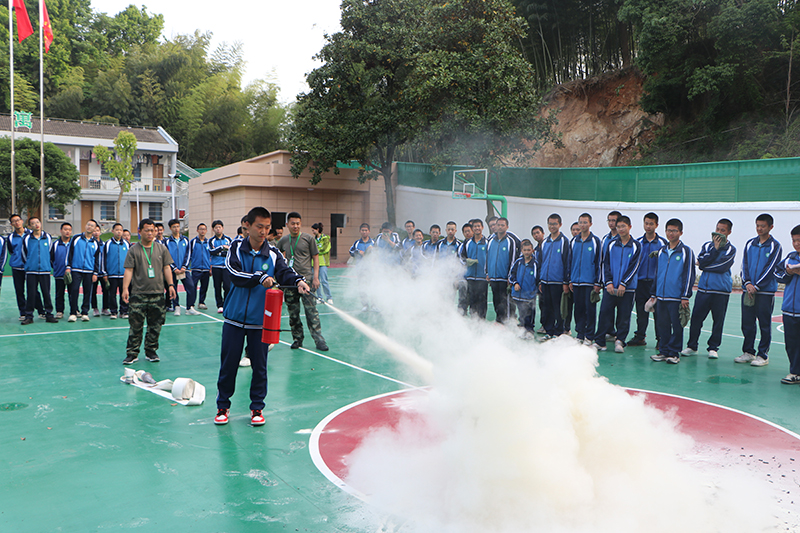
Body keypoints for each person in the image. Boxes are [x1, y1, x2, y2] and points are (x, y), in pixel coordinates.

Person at [214, 207, 310, 426]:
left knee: (260, 367)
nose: (264, 231)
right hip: (234, 320)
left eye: (267, 227)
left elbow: (285, 272)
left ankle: (257, 408)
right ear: (247, 226)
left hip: (260, 322)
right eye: (259, 227)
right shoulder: (236, 248)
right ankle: (222, 406)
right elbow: (234, 274)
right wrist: (259, 277)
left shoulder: (274, 253)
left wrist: (298, 281)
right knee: (228, 365)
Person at [121, 218, 176, 365]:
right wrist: (125, 289)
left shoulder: (161, 249)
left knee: (156, 325)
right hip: (138, 294)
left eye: (153, 230)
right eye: (147, 230)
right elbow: (129, 270)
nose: (150, 233)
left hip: (157, 293)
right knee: (135, 326)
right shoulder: (133, 250)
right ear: (140, 231)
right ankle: (132, 353)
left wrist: (171, 285)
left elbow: (166, 268)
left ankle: (151, 351)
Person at [681, 219, 736, 359]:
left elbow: (721, 267)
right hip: (704, 289)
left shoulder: (731, 249)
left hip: (721, 291)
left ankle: (713, 348)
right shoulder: (707, 246)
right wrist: (714, 251)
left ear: (729, 232)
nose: (719, 232)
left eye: (723, 230)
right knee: (696, 319)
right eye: (717, 229)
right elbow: (701, 261)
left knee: (718, 321)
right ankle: (692, 346)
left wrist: (704, 265)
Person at [735, 213, 782, 367]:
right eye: (757, 226)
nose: (759, 229)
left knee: (764, 324)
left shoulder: (775, 246)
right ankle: (748, 352)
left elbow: (771, 268)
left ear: (771, 227)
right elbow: (744, 265)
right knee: (747, 322)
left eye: (763, 226)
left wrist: (757, 286)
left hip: (765, 292)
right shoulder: (750, 244)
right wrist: (747, 283)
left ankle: (763, 355)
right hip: (748, 291)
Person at [277, 212, 328, 351]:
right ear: (287, 224)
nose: (296, 226)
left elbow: (315, 258)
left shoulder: (308, 239)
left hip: (307, 281)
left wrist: (315, 277)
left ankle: (319, 340)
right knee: (293, 313)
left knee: (312, 312)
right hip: (290, 283)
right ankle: (297, 339)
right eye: (293, 223)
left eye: (298, 223)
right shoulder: (283, 241)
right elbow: (278, 258)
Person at [648, 219, 695, 364]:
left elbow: (689, 274)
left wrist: (685, 295)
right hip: (661, 296)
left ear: (681, 232)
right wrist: (654, 293)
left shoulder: (686, 251)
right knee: (662, 325)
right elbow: (657, 273)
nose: (671, 233)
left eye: (674, 231)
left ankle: (674, 353)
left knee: (677, 325)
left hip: (676, 297)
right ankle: (663, 351)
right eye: (669, 230)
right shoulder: (661, 251)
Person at [592, 215, 641, 353]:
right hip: (610, 287)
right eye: (618, 227)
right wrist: (608, 282)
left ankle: (620, 341)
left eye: (623, 226)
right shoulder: (611, 244)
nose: (620, 229)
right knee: (604, 313)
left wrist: (624, 283)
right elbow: (605, 264)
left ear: (630, 227)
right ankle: (600, 341)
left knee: (624, 315)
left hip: (628, 289)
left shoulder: (636, 246)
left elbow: (634, 266)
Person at [628, 212, 668, 347]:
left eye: (651, 224)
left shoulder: (663, 243)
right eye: (646, 223)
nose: (648, 226)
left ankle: (660, 339)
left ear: (657, 225)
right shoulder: (637, 243)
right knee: (641, 311)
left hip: (655, 284)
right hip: (639, 283)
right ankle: (640, 337)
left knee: (658, 313)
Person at [569, 213, 602, 345]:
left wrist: (597, 282)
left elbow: (599, 262)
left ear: (590, 224)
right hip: (576, 282)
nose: (582, 225)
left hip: (590, 283)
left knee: (590, 310)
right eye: (580, 222)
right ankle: (580, 334)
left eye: (585, 222)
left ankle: (589, 336)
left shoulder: (595, 241)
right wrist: (570, 280)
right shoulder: (573, 241)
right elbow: (570, 262)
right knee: (578, 309)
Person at [775, 225, 800, 384]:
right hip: (789, 309)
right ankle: (795, 371)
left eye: (799, 240)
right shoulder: (790, 257)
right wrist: (788, 273)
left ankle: (796, 372)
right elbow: (778, 274)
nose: (796, 244)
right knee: (791, 343)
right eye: (794, 240)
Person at [539, 214, 570, 338]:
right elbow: (541, 262)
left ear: (560, 225)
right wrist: (540, 280)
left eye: (555, 224)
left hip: (558, 282)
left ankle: (558, 332)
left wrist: (565, 282)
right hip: (545, 281)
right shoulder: (545, 242)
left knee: (558, 309)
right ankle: (549, 332)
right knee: (547, 308)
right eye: (550, 224)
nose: (552, 226)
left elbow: (567, 262)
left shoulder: (564, 241)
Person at [20, 216, 56, 324]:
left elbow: (51, 252)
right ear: (29, 226)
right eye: (33, 223)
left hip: (45, 271)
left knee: (46, 293)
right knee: (31, 294)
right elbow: (24, 254)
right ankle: (29, 316)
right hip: (31, 271)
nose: (36, 224)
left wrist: (46, 264)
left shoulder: (47, 237)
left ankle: (49, 314)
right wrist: (29, 264)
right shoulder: (27, 238)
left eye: (38, 222)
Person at [7, 213, 43, 320]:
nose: (17, 222)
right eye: (14, 221)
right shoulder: (10, 237)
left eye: (18, 220)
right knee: (19, 291)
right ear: (11, 224)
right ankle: (23, 312)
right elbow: (11, 251)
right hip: (17, 268)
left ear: (22, 221)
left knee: (34, 290)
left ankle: (41, 311)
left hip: (30, 268)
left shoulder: (31, 234)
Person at [66, 219, 101, 322]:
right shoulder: (76, 238)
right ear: (85, 226)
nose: (89, 227)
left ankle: (85, 313)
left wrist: (95, 273)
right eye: (88, 224)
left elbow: (97, 259)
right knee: (74, 290)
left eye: (92, 226)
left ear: (95, 229)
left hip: (89, 271)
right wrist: (68, 266)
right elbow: (70, 253)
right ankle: (73, 313)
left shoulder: (95, 243)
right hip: (76, 269)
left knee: (87, 292)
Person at [486, 217, 518, 323]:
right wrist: (487, 272)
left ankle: (507, 322)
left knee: (506, 301)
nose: (500, 227)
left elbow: (513, 260)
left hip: (504, 278)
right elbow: (487, 257)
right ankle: (499, 320)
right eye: (498, 225)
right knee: (496, 300)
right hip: (493, 277)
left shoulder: (511, 241)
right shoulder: (490, 240)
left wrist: (510, 276)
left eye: (502, 225)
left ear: (507, 227)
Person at [165, 218, 197, 315]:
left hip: (184, 270)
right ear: (170, 228)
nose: (176, 229)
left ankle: (190, 307)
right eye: (174, 227)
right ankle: (176, 307)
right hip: (173, 271)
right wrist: (174, 268)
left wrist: (184, 267)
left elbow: (188, 254)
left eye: (178, 226)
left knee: (191, 287)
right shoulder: (167, 241)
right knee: (173, 289)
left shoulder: (186, 240)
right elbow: (167, 256)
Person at [99, 223, 130, 320]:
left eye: (120, 230)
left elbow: (130, 259)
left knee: (124, 293)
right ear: (113, 231)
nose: (119, 232)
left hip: (124, 275)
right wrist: (104, 272)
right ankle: (113, 311)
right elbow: (103, 258)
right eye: (117, 230)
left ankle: (124, 311)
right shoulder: (108, 243)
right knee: (111, 294)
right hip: (111, 274)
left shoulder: (126, 244)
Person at [460, 219, 489, 319]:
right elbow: (462, 257)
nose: (477, 228)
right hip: (471, 277)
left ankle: (482, 321)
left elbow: (490, 259)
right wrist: (467, 261)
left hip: (483, 277)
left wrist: (488, 273)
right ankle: (473, 321)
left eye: (479, 226)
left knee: (482, 301)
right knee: (472, 301)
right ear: (472, 229)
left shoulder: (487, 243)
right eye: (475, 226)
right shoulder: (468, 243)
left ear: (482, 227)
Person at [510, 239, 539, 335]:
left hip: (530, 295)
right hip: (518, 293)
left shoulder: (535, 264)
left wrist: (534, 291)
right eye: (525, 250)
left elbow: (537, 279)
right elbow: (512, 274)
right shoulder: (518, 262)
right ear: (522, 250)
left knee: (529, 313)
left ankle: (529, 330)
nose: (527, 252)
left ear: (532, 251)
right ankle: (522, 328)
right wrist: (515, 283)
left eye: (529, 250)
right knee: (521, 311)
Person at [350, 223, 375, 312]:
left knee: (373, 286)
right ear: (360, 231)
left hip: (371, 268)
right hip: (360, 269)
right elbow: (351, 251)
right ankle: (365, 305)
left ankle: (374, 305)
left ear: (369, 231)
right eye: (362, 230)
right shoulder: (357, 243)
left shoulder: (373, 243)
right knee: (362, 286)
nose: (364, 232)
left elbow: (378, 253)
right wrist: (358, 252)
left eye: (366, 230)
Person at [209, 220, 232, 313]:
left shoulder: (228, 239)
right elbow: (211, 251)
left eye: (219, 227)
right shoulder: (211, 240)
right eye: (216, 227)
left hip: (226, 267)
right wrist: (222, 248)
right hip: (216, 266)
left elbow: (231, 251)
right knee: (217, 286)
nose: (218, 229)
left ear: (222, 228)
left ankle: (226, 304)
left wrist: (218, 252)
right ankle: (220, 305)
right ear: (213, 229)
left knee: (227, 286)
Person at [50, 222, 72, 319]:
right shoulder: (55, 244)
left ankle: (74, 310)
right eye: (65, 229)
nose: (67, 231)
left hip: (71, 274)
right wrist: (56, 267)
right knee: (59, 293)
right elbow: (51, 259)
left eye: (69, 230)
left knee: (73, 293)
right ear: (61, 231)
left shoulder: (74, 244)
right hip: (59, 273)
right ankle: (59, 311)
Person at [188, 223, 211, 310]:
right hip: (195, 268)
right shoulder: (193, 242)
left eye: (204, 229)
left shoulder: (209, 242)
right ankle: (192, 303)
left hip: (206, 268)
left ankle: (201, 302)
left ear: (206, 231)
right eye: (201, 229)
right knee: (193, 286)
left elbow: (211, 256)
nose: (202, 231)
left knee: (204, 287)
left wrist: (210, 267)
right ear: (197, 230)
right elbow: (189, 254)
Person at [311, 222, 333, 303]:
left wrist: (316, 251)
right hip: (314, 263)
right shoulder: (313, 240)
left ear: (317, 229)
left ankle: (329, 297)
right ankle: (319, 297)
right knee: (316, 281)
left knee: (324, 280)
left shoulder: (325, 238)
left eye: (313, 230)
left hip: (323, 263)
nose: (313, 232)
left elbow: (325, 249)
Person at [530, 225, 546, 333]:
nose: (536, 235)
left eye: (538, 233)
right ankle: (543, 325)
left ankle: (554, 326)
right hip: (538, 281)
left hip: (546, 280)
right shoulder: (535, 251)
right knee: (541, 304)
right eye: (534, 234)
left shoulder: (547, 246)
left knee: (549, 305)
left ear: (543, 233)